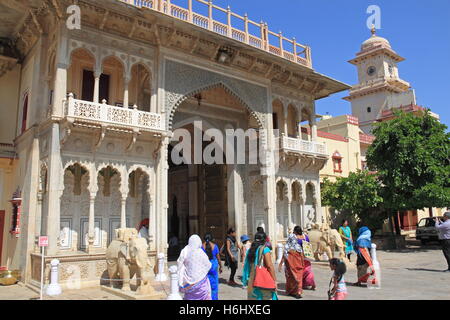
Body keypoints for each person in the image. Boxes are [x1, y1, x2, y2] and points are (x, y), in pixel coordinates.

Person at [242, 231, 278, 300]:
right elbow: (269, 266)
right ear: (264, 240)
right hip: (262, 281)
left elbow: (247, 266)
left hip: (251, 280)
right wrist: (274, 281)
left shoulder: (250, 250)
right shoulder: (265, 249)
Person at [177, 235, 212, 300]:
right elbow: (208, 265)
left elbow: (180, 263)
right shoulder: (201, 252)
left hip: (189, 283)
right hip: (202, 283)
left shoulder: (186, 251)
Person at [278, 226, 305, 299]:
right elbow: (302, 254)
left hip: (290, 259)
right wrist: (303, 262)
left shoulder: (289, 244)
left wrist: (281, 263)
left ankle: (291, 291)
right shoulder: (301, 241)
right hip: (298, 259)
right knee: (299, 275)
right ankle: (298, 291)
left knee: (290, 276)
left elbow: (285, 251)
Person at [202, 233, 222, 300]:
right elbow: (218, 258)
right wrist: (221, 266)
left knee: (205, 283)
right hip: (213, 266)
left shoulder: (202, 246)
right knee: (214, 284)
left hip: (205, 266)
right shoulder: (215, 246)